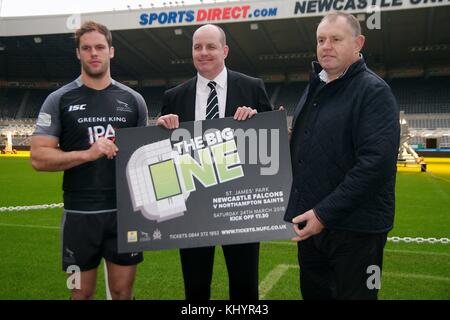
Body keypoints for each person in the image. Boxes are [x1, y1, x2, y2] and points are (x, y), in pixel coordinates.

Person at [284, 12, 400, 300]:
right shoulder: (315, 87)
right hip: (312, 228)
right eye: (321, 40)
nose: (326, 46)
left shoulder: (374, 91)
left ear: (358, 43)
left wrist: (323, 213)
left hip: (356, 231)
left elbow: (376, 165)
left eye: (336, 39)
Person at [30, 21, 148, 300]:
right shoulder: (58, 99)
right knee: (79, 294)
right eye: (86, 48)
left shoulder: (134, 100)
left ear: (111, 51)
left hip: (124, 213)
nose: (93, 53)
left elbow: (144, 154)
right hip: (79, 216)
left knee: (122, 292)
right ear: (78, 54)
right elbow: (38, 157)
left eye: (99, 47)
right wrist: (88, 153)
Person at [157, 24, 272, 300]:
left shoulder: (252, 88)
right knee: (195, 289)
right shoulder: (173, 97)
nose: (203, 53)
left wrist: (258, 121)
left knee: (245, 288)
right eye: (197, 47)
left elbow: (270, 145)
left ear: (225, 50)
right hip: (192, 208)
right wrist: (159, 130)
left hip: (239, 205)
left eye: (210, 46)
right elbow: (162, 156)